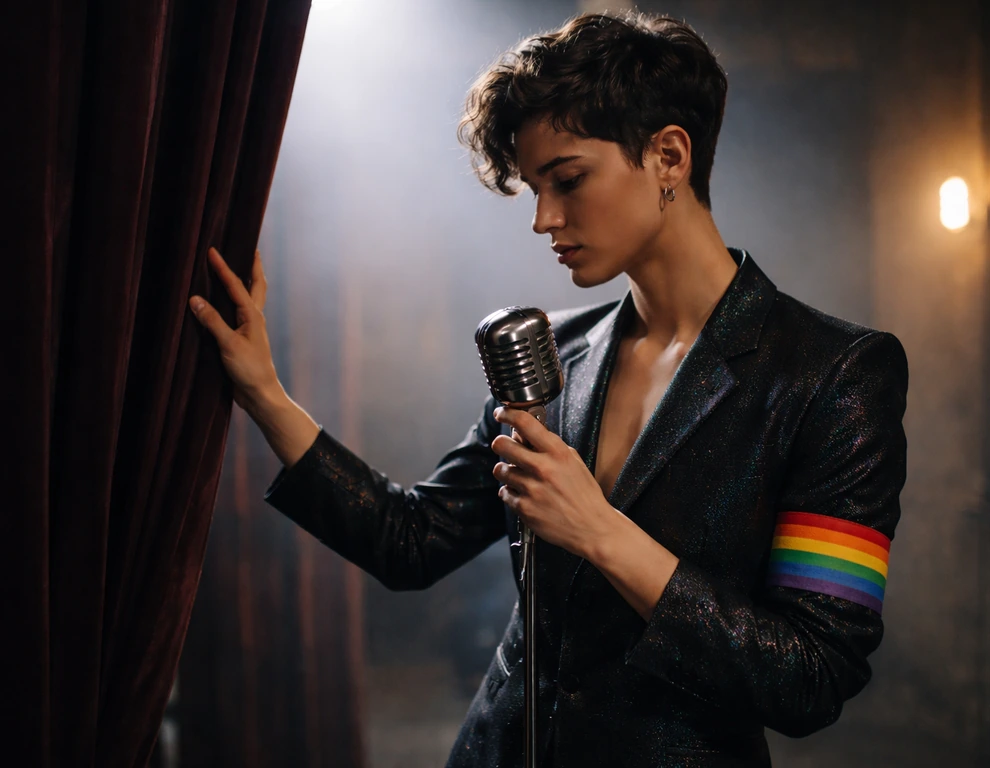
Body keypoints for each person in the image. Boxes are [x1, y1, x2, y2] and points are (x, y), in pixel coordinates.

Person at [187, 10, 908, 767]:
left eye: (567, 180)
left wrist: (600, 531)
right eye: (535, 188)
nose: (543, 219)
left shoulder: (833, 374)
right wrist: (265, 394)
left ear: (668, 156)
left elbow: (810, 677)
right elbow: (410, 540)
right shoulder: (551, 353)